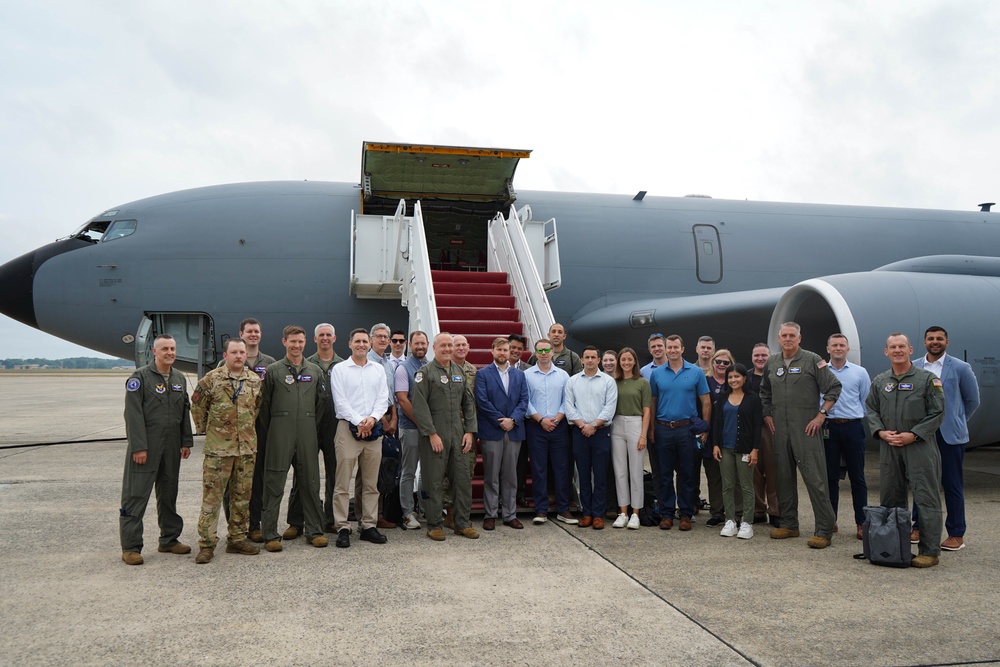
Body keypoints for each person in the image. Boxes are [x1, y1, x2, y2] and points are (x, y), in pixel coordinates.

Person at [865, 333, 946, 568]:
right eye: (893, 347)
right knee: (891, 498)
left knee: (926, 497)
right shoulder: (880, 381)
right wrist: (880, 432)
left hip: (919, 446)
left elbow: (938, 412)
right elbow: (871, 409)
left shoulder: (927, 379)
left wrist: (914, 434)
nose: (897, 350)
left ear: (911, 350)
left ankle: (929, 551)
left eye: (902, 346)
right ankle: (892, 547)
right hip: (890, 447)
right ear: (886, 352)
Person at [759, 322, 841, 549]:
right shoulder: (772, 362)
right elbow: (764, 392)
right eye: (784, 335)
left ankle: (824, 529)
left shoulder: (813, 360)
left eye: (791, 335)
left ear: (799, 338)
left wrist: (821, 415)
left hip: (806, 428)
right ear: (779, 338)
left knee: (815, 479)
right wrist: (767, 415)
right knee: (783, 477)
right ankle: (789, 523)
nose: (787, 339)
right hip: (780, 429)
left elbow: (834, 387)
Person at [119, 334, 193, 565]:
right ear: (154, 352)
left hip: (171, 447)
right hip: (146, 447)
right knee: (136, 495)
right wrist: (139, 447)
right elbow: (133, 415)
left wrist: (186, 441)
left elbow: (184, 413)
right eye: (164, 349)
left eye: (172, 348)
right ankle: (131, 547)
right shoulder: (140, 378)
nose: (170, 352)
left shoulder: (179, 378)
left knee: (169, 493)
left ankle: (169, 539)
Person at [190, 338, 263, 563]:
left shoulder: (254, 380)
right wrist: (207, 431)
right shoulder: (211, 379)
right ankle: (207, 544)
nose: (239, 356)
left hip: (246, 449)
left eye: (242, 352)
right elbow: (197, 406)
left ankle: (237, 539)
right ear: (225, 355)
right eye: (234, 352)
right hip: (218, 451)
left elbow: (256, 407)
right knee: (212, 499)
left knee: (242, 498)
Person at [258, 325, 330, 551]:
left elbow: (321, 406)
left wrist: (311, 430)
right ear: (284, 342)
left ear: (305, 342)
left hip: (308, 434)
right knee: (274, 483)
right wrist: (273, 434)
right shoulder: (273, 371)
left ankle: (314, 531)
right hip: (279, 434)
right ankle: (270, 534)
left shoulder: (315, 371)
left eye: (300, 342)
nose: (297, 346)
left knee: (310, 483)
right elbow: (264, 408)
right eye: (292, 342)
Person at [912, 326, 980, 551]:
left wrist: (956, 420)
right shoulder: (915, 366)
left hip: (950, 436)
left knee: (952, 484)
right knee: (921, 482)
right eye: (931, 338)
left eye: (939, 338)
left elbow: (972, 400)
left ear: (947, 342)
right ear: (924, 342)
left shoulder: (960, 367)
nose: (935, 342)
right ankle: (918, 527)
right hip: (922, 435)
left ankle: (956, 533)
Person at [412, 333, 479, 541]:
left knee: (462, 479)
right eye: (444, 345)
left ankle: (462, 523)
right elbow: (419, 407)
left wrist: (469, 431)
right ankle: (434, 525)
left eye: (450, 345)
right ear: (435, 347)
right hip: (435, 434)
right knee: (434, 480)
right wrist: (432, 434)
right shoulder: (425, 373)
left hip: (458, 435)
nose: (448, 349)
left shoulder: (459, 371)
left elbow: (468, 404)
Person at [330, 328, 391, 548]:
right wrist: (359, 421)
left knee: (370, 483)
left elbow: (383, 398)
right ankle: (343, 526)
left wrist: (372, 420)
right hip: (348, 430)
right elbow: (341, 401)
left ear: (370, 343)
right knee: (343, 483)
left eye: (365, 341)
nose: (361, 345)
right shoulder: (340, 369)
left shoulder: (378, 370)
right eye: (357, 341)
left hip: (373, 431)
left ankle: (368, 525)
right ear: (350, 344)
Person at [284, 323, 343, 536]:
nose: (325, 338)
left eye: (329, 335)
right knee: (303, 473)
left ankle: (330, 519)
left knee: (335, 475)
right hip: (309, 426)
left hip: (335, 427)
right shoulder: (306, 365)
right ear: (315, 339)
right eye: (321, 335)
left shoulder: (343, 366)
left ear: (334, 338)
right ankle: (296, 522)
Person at [648, 335, 711, 531]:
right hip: (663, 428)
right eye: (670, 347)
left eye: (676, 347)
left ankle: (685, 513)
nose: (673, 350)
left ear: (683, 349)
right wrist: (651, 429)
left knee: (687, 473)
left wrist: (705, 428)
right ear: (666, 349)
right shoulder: (657, 374)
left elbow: (706, 402)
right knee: (664, 473)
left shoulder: (696, 372)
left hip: (686, 429)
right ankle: (667, 513)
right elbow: (652, 402)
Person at [228, 318, 276, 543]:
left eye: (257, 331)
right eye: (249, 331)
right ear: (241, 334)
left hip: (261, 429)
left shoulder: (271, 363)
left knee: (257, 480)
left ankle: (254, 524)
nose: (253, 335)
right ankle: (234, 527)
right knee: (232, 480)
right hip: (234, 432)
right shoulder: (229, 363)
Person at [475, 337, 529, 530]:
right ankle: (490, 514)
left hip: (514, 430)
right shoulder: (482, 374)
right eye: (499, 350)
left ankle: (509, 514)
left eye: (506, 350)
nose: (503, 353)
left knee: (511, 476)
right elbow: (482, 402)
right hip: (492, 430)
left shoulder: (520, 375)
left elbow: (524, 401)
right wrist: (501, 420)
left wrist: (512, 420)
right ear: (492, 351)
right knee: (491, 475)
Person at [822, 334, 871, 541]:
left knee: (857, 477)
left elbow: (865, 398)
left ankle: (861, 522)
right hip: (829, 427)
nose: (838, 348)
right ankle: (830, 520)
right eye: (834, 345)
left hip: (852, 426)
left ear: (848, 349)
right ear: (828, 348)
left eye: (842, 345)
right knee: (830, 477)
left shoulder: (860, 372)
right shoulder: (821, 372)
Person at [524, 338, 576, 525]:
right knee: (539, 469)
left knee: (561, 469)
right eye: (540, 350)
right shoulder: (527, 375)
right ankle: (541, 510)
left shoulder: (563, 375)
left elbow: (567, 400)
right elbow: (525, 400)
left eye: (547, 349)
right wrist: (540, 419)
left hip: (559, 427)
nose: (544, 353)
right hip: (536, 426)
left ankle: (563, 509)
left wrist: (557, 419)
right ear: (535, 353)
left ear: (552, 352)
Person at [565, 346, 618, 529]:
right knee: (584, 475)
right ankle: (587, 513)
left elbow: (609, 408)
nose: (589, 360)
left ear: (598, 359)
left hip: (601, 432)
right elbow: (569, 407)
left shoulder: (608, 381)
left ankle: (598, 514)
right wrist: (583, 425)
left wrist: (593, 425)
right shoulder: (572, 381)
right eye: (586, 357)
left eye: (593, 357)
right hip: (579, 433)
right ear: (582, 359)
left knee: (601, 475)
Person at [711, 363, 761, 540]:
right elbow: (716, 422)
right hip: (725, 448)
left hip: (745, 448)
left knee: (746, 486)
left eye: (737, 376)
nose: (733, 380)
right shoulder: (723, 398)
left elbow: (757, 426)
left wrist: (755, 449)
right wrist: (715, 444)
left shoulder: (753, 399)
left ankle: (747, 522)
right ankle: (730, 520)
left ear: (744, 378)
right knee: (728, 485)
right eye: (730, 377)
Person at [359, 322, 398, 529]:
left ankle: (379, 513)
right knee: (365, 473)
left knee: (384, 470)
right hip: (372, 421)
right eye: (379, 336)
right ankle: (363, 516)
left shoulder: (389, 364)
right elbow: (372, 396)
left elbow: (390, 395)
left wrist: (394, 420)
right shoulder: (366, 362)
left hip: (389, 418)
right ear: (371, 339)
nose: (383, 340)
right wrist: (384, 421)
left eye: (386, 337)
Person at [611, 347, 651, 529]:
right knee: (620, 471)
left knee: (636, 471)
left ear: (634, 361)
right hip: (617, 424)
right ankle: (623, 512)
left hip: (636, 424)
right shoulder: (614, 382)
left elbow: (647, 411)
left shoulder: (642, 382)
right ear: (619, 362)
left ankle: (636, 513)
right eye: (623, 360)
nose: (626, 363)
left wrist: (643, 434)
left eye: (629, 359)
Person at [394, 330, 430, 531]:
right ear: (410, 344)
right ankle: (408, 513)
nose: (420, 347)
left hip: (427, 429)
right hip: (410, 428)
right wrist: (422, 423)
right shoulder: (403, 368)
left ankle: (425, 508)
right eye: (416, 343)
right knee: (408, 471)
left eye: (423, 343)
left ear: (427, 344)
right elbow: (402, 399)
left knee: (426, 471)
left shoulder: (429, 366)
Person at [442, 334, 478, 528]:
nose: (461, 348)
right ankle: (449, 513)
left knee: (466, 471)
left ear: (468, 347)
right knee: (447, 473)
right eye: (457, 345)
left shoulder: (473, 371)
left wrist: (471, 429)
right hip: (448, 427)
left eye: (464, 345)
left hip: (467, 430)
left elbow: (474, 403)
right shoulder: (442, 369)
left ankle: (462, 512)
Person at [701, 349, 735, 527]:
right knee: (714, 475)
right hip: (710, 433)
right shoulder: (705, 381)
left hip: (730, 434)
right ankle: (717, 512)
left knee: (732, 476)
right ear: (712, 363)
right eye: (718, 362)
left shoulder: (735, 381)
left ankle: (736, 511)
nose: (721, 365)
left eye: (726, 363)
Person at [748, 343, 779, 527]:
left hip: (772, 427)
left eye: (764, 355)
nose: (760, 359)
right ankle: (758, 510)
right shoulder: (747, 378)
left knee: (773, 470)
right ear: (752, 357)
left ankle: (775, 511)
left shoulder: (776, 375)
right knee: (754, 471)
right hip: (751, 428)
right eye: (757, 355)